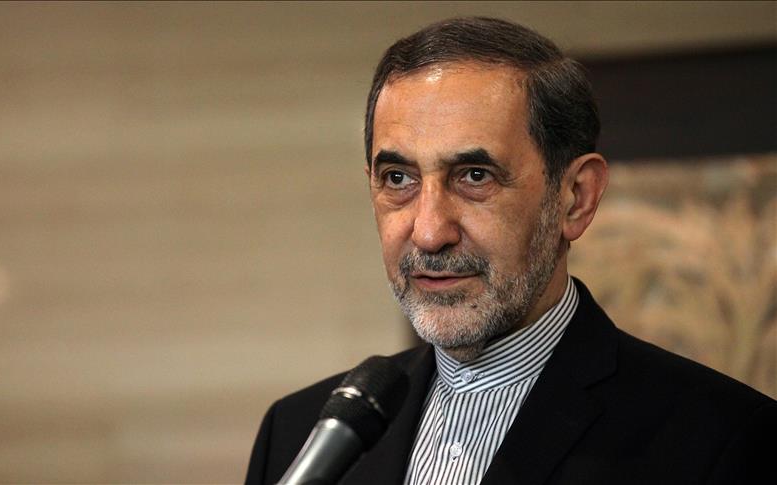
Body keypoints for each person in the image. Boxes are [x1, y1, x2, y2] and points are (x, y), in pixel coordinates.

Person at [245, 17, 776, 485]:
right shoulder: (297, 434)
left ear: (575, 197)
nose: (428, 232)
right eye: (398, 178)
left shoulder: (722, 441)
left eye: (475, 176)